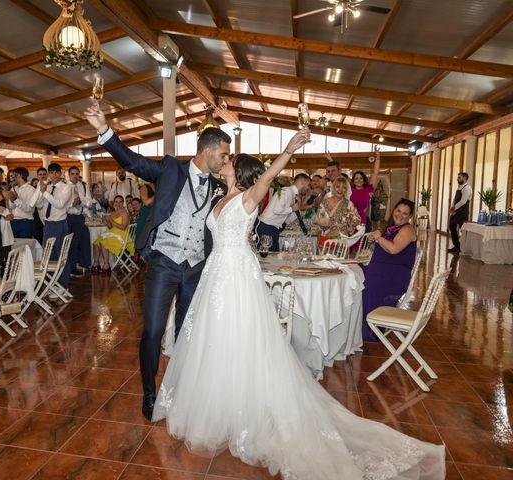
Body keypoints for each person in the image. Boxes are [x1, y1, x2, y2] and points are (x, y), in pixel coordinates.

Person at [151, 134, 444, 479]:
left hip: (237, 277)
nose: (224, 160)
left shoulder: (249, 196)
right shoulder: (219, 198)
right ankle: (217, 409)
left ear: (238, 169)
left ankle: (246, 412)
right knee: (214, 341)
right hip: (216, 275)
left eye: (229, 158)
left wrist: (289, 149)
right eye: (225, 156)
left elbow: (267, 177)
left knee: (241, 339)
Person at [85, 102, 232, 421]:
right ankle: (149, 392)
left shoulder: (219, 186)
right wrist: (103, 130)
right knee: (152, 331)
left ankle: (180, 388)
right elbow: (132, 161)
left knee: (186, 332)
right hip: (164, 263)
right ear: (207, 151)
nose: (226, 160)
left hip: (195, 268)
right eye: (224, 154)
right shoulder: (169, 169)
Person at [362, 199, 418, 341]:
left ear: (410, 216)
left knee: (365, 284)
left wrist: (379, 237)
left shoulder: (407, 229)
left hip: (393, 276)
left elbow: (393, 249)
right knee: (356, 277)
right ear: (393, 210)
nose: (400, 215)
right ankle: (359, 325)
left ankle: (370, 330)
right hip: (382, 269)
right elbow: (385, 249)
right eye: (398, 211)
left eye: (405, 213)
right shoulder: (392, 228)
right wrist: (374, 240)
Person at [256, 173, 311, 251]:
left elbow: (287, 220)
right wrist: (292, 208)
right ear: (301, 182)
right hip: (266, 226)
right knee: (267, 258)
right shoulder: (286, 191)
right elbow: (277, 210)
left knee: (273, 258)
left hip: (273, 228)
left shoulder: (293, 194)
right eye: (308, 185)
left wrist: (299, 208)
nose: (308, 188)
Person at [39, 162, 72, 290]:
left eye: (56, 172)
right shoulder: (46, 187)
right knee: (48, 255)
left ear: (60, 173)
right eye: (51, 172)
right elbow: (40, 205)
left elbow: (59, 204)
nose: (53, 175)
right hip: (48, 224)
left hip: (59, 224)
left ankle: (63, 286)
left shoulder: (66, 187)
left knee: (61, 255)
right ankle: (52, 284)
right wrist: (40, 192)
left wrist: (45, 193)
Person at [92, 195, 134, 273]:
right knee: (96, 242)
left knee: (104, 243)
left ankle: (106, 265)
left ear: (123, 203)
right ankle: (96, 263)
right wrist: (107, 220)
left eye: (120, 202)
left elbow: (123, 227)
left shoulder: (124, 213)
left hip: (122, 236)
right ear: (114, 202)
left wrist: (111, 220)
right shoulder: (113, 213)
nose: (118, 204)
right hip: (113, 233)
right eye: (116, 201)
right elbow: (111, 227)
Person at [314, 176, 361, 245]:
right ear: (333, 188)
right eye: (338, 187)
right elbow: (317, 220)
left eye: (344, 187)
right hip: (324, 242)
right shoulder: (324, 202)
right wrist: (324, 222)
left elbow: (357, 222)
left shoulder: (349, 204)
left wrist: (346, 227)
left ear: (346, 190)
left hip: (341, 244)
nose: (340, 190)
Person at [66, 166, 92, 276]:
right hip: (67, 216)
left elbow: (90, 202)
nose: (75, 176)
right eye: (72, 174)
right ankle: (68, 267)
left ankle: (74, 266)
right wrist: (72, 203)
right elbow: (61, 203)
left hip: (79, 216)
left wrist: (81, 202)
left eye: (77, 174)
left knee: (77, 242)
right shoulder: (64, 186)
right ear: (69, 174)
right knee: (68, 243)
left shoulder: (84, 186)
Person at [350, 147, 381, 232]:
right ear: (353, 181)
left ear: (364, 180)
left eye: (361, 178)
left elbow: (375, 173)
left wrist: (378, 156)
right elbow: (339, 178)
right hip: (351, 220)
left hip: (364, 220)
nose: (359, 180)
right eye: (356, 178)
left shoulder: (368, 189)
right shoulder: (349, 190)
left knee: (363, 244)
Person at [8, 167, 38, 239]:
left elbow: (29, 209)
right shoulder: (13, 188)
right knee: (14, 247)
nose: (11, 178)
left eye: (13, 175)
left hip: (25, 223)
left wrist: (16, 199)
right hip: (13, 222)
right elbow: (10, 207)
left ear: (19, 175)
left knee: (25, 247)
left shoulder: (31, 190)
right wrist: (12, 200)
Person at [448, 172, 472, 254]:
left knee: (463, 230)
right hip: (455, 212)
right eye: (458, 177)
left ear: (465, 178)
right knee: (451, 226)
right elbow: (455, 199)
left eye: (459, 177)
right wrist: (452, 208)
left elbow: (463, 201)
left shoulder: (467, 188)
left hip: (462, 212)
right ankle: (457, 246)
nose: (457, 179)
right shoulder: (459, 188)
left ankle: (465, 248)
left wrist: (454, 208)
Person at [32, 167, 47, 245]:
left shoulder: (50, 186)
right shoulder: (35, 187)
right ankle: (40, 256)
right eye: (40, 174)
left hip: (47, 215)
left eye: (44, 174)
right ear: (37, 176)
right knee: (38, 239)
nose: (42, 176)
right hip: (37, 215)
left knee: (47, 240)